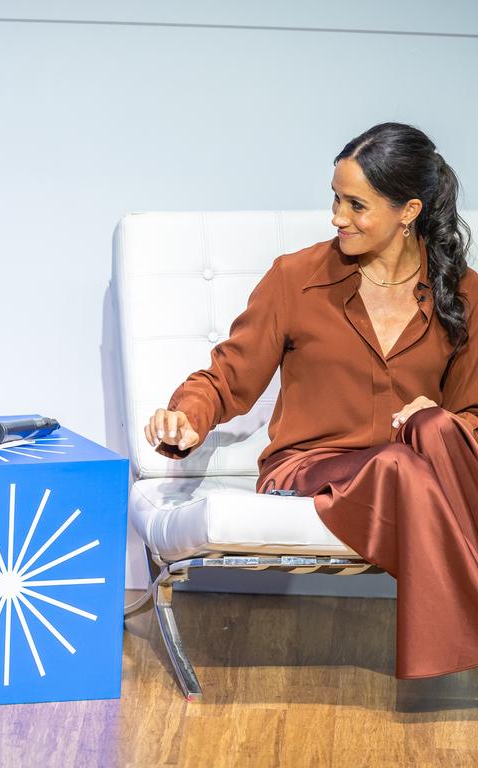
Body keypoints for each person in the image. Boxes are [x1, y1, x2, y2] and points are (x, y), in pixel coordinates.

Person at [148, 122, 478, 682]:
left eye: (356, 204)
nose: (336, 217)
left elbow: (469, 420)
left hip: (419, 464)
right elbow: (228, 377)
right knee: (400, 461)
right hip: (310, 469)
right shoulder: (295, 279)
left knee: (434, 431)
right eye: (335, 197)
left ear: (409, 211)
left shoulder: (464, 294)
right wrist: (186, 416)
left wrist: (431, 413)